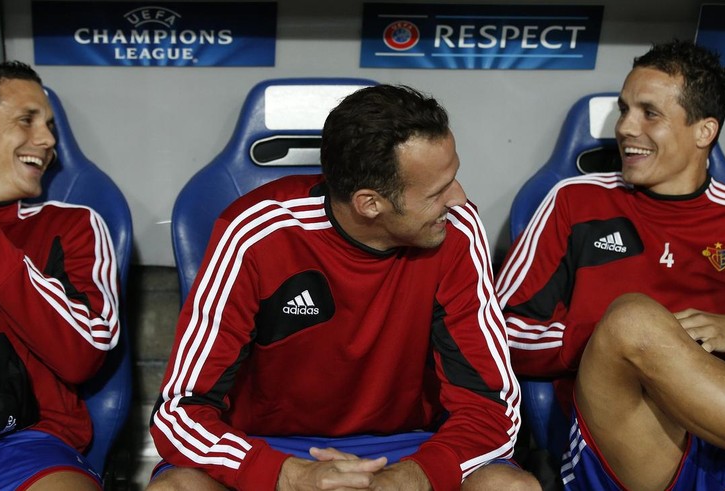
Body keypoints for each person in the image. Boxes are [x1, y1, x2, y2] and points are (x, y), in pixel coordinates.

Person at [148, 84, 539, 490]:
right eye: (438, 191)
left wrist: (406, 479)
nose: (459, 199)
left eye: (454, 177)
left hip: (407, 448)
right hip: (269, 447)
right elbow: (179, 412)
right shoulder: (255, 233)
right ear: (369, 203)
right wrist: (288, 475)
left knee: (512, 487)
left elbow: (491, 407)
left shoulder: (456, 229)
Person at [496, 39, 725, 490]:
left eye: (649, 113)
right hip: (625, 439)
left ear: (704, 131)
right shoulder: (574, 201)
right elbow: (499, 336)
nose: (625, 128)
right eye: (624, 109)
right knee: (634, 317)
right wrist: (614, 339)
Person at [0, 61, 120, 490]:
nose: (48, 140)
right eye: (27, 121)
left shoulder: (72, 225)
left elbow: (83, 355)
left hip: (26, 443)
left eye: (48, 126)